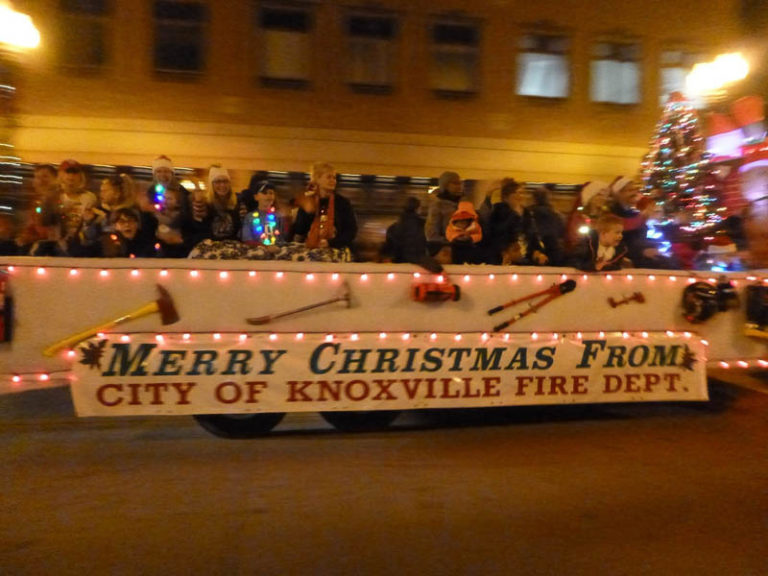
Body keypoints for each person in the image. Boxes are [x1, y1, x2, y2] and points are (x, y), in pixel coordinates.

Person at [293, 162, 357, 252]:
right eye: (329, 177)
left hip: (337, 249)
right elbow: (299, 231)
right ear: (317, 179)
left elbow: (351, 231)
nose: (333, 181)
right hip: (311, 248)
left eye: (334, 178)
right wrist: (307, 212)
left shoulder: (342, 203)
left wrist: (330, 243)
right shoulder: (309, 200)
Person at [488, 178, 548, 265]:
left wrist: (537, 251)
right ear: (506, 197)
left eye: (521, 193)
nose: (519, 196)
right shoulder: (498, 212)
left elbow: (532, 236)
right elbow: (496, 235)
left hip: (525, 259)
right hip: (504, 259)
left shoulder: (527, 214)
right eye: (515, 193)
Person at [15, 164, 61, 255]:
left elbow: (52, 230)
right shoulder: (37, 202)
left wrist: (31, 238)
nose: (41, 181)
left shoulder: (58, 199)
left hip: (52, 246)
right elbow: (32, 226)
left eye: (45, 176)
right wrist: (24, 236)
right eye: (37, 177)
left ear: (56, 180)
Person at [380, 196, 430, 266]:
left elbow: (390, 247)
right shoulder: (423, 225)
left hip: (399, 264)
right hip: (419, 264)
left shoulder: (393, 227)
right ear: (417, 209)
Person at [565, 180, 610, 256]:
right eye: (599, 195)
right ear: (590, 197)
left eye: (605, 195)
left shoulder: (607, 217)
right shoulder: (579, 218)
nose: (603, 198)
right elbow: (575, 240)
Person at [425, 171, 463, 261]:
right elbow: (431, 233)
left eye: (459, 183)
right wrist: (450, 241)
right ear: (445, 185)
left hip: (462, 250)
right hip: (446, 251)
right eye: (454, 183)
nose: (459, 186)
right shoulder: (438, 205)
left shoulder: (462, 203)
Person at [240, 179, 287, 245]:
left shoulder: (279, 216)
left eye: (271, 193)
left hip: (278, 249)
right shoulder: (250, 217)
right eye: (264, 193)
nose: (268, 195)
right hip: (257, 250)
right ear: (256, 197)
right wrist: (266, 247)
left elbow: (283, 238)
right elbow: (247, 240)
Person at [530, 185, 566, 266]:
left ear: (534, 199)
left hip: (538, 251)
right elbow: (562, 231)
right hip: (555, 250)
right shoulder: (557, 215)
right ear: (548, 199)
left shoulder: (530, 214)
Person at [445, 200, 484, 264]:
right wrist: (456, 236)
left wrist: (471, 237)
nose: (462, 223)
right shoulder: (451, 226)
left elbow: (479, 235)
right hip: (456, 248)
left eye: (464, 221)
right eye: (460, 221)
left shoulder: (475, 226)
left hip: (471, 248)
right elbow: (448, 234)